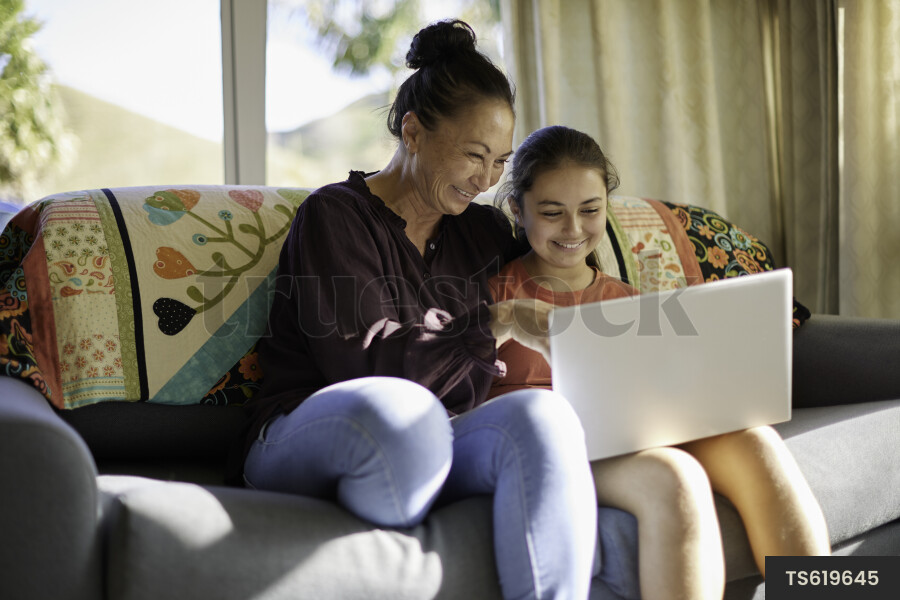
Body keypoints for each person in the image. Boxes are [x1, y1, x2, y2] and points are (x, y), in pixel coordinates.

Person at [241, 20, 597, 600]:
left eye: (500, 162)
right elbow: (367, 365)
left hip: (444, 436)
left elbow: (562, 271)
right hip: (313, 429)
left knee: (545, 421)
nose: (485, 179)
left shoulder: (483, 230)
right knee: (405, 417)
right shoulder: (336, 216)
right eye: (473, 155)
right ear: (413, 131)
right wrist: (496, 320)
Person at [488, 125, 832, 600]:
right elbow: (446, 367)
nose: (573, 230)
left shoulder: (627, 300)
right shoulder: (496, 294)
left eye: (590, 210)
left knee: (757, 442)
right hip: (562, 445)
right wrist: (503, 320)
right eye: (552, 213)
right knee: (676, 476)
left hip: (635, 430)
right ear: (518, 210)